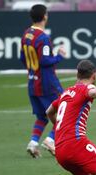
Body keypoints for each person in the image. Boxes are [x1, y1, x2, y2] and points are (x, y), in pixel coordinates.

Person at [20, 4, 65, 158]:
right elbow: (45, 61)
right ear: (45, 16)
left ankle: (33, 144)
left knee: (42, 116)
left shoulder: (27, 34)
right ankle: (50, 140)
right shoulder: (42, 37)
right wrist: (59, 56)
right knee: (64, 113)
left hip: (32, 82)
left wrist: (33, 71)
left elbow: (22, 58)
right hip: (47, 83)